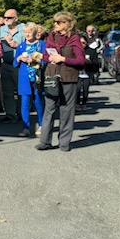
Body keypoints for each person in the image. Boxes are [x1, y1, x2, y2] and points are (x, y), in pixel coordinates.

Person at [37, 12, 86, 152]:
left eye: (58, 22)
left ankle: (64, 143)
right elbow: (46, 56)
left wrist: (63, 59)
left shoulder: (75, 39)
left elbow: (81, 61)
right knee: (49, 109)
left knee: (66, 110)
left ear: (66, 24)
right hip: (52, 77)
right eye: (54, 22)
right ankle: (45, 141)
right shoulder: (51, 37)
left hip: (68, 78)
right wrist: (50, 58)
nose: (55, 25)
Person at [14, 22, 45, 137]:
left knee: (38, 102)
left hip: (37, 77)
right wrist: (19, 58)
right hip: (24, 78)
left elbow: (46, 60)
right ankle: (26, 128)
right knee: (25, 103)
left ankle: (42, 125)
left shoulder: (42, 44)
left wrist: (37, 60)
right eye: (25, 32)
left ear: (35, 32)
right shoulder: (21, 46)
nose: (27, 34)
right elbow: (14, 63)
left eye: (30, 32)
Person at [0, 9, 24, 125]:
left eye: (9, 18)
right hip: (5, 64)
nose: (6, 19)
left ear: (16, 18)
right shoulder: (1, 30)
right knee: (7, 91)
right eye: (5, 17)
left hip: (20, 65)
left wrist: (17, 45)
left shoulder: (24, 28)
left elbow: (31, 44)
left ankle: (22, 113)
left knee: (21, 90)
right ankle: (10, 115)